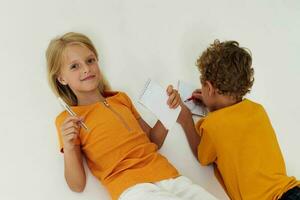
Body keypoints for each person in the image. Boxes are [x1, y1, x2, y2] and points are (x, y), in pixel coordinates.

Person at [46, 32, 218, 200]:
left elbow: (153, 141)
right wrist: (69, 147)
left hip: (168, 175)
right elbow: (77, 185)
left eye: (90, 60)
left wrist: (170, 109)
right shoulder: (69, 120)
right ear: (61, 79)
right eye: (74, 66)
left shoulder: (120, 98)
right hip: (131, 189)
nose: (86, 69)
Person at [177, 40, 300, 200]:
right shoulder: (258, 110)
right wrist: (211, 103)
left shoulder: (213, 126)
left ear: (209, 87)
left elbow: (203, 156)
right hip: (292, 189)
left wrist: (186, 120)